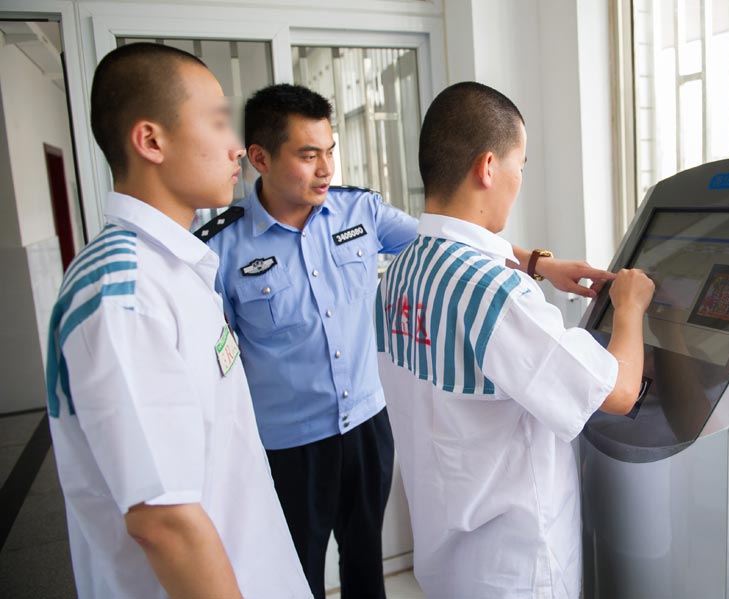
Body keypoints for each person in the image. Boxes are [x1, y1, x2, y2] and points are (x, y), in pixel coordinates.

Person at [196, 83, 613, 598]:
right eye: (308, 155)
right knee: (297, 569)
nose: (326, 169)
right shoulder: (221, 248)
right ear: (260, 158)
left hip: (366, 422)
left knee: (365, 561)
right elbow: (219, 364)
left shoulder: (359, 212)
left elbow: (446, 240)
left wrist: (539, 264)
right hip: (289, 442)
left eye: (330, 151)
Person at [45, 43, 312, 599]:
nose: (237, 147)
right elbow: (163, 523)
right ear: (151, 141)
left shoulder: (173, 268)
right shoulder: (125, 294)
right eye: (217, 122)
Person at [375, 81, 656, 598]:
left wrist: (538, 264)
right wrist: (631, 307)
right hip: (515, 569)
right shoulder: (497, 295)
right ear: (488, 167)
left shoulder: (400, 271)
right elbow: (618, 392)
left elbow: (467, 265)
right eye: (519, 166)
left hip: (447, 560)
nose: (519, 180)